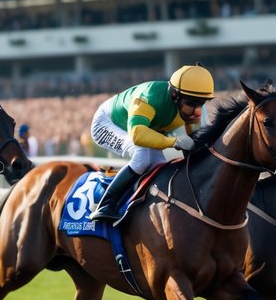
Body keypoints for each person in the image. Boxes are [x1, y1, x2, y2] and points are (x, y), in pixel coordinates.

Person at [87, 64, 213, 223]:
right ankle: (106, 205)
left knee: (160, 167)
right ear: (175, 95)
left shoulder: (193, 108)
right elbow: (138, 135)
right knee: (143, 158)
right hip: (108, 123)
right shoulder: (150, 97)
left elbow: (195, 147)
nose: (197, 111)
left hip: (146, 129)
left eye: (202, 103)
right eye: (192, 103)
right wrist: (173, 142)